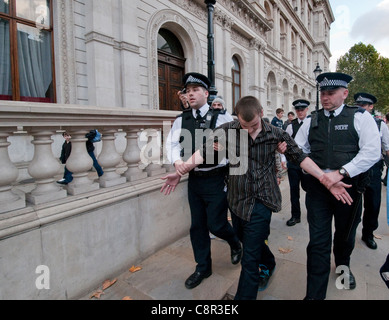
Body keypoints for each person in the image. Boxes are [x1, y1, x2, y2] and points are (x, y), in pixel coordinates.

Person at [162, 95, 353, 300]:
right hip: (237, 200)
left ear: (261, 114)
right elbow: (202, 153)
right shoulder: (227, 130)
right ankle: (269, 261)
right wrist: (180, 171)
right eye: (244, 125)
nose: (249, 130)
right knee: (246, 239)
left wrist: (325, 178)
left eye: (253, 125)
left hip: (262, 199)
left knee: (250, 258)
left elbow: (301, 157)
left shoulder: (276, 134)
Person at [294, 72, 381, 300]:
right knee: (318, 243)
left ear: (345, 93)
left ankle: (343, 268)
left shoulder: (360, 117)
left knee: (344, 237)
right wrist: (322, 177)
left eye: (330, 93)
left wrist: (341, 172)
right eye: (322, 93)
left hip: (349, 191)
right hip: (317, 191)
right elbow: (298, 149)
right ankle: (314, 296)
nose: (325, 97)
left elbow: (372, 151)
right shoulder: (311, 120)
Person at [164, 72, 242, 290]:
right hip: (195, 180)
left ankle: (235, 242)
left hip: (217, 178)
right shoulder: (181, 119)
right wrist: (178, 163)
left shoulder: (223, 118)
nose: (190, 94)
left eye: (195, 90)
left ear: (206, 94)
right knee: (197, 226)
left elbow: (238, 147)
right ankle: (203, 267)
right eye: (187, 91)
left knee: (216, 224)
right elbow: (171, 145)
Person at [354, 93, 389, 249]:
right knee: (352, 203)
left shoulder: (381, 125)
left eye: (364, 106)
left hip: (373, 170)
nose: (360, 109)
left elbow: (387, 148)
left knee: (373, 204)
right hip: (354, 169)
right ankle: (348, 233)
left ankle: (368, 233)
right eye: (358, 105)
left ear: (371, 107)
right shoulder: (351, 122)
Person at [284, 99, 310, 226]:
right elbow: (286, 144)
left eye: (302, 109)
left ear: (307, 110)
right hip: (294, 163)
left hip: (308, 162)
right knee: (294, 191)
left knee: (310, 189)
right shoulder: (290, 126)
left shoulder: (312, 123)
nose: (300, 112)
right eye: (298, 110)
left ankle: (312, 213)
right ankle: (295, 216)